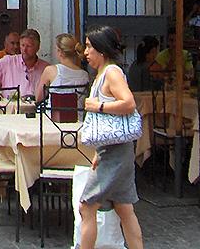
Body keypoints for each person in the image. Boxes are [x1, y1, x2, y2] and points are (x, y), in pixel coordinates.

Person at [80, 27, 143, 249]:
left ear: (102, 49)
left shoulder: (112, 73)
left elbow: (129, 103)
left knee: (87, 207)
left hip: (116, 152)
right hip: (115, 150)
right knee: (124, 208)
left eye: (89, 46)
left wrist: (99, 106)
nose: (86, 52)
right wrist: (99, 152)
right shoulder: (102, 74)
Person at [34, 32, 89, 103]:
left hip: (54, 113)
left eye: (55, 48)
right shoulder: (85, 75)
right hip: (78, 114)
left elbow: (38, 98)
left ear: (60, 52)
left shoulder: (50, 71)